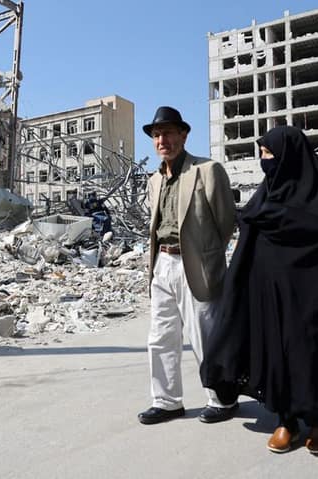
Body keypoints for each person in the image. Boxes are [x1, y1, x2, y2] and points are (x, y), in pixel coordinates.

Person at [200, 126, 318, 454]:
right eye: (261, 154)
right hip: (271, 293)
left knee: (313, 349)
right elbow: (250, 230)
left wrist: (281, 221)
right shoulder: (266, 193)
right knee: (277, 349)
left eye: (269, 154)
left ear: (290, 156)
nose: (264, 161)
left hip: (312, 294)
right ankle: (286, 418)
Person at [137, 106, 237, 426]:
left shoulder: (207, 170)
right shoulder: (155, 179)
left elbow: (226, 222)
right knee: (160, 337)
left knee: (204, 335)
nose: (161, 140)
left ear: (183, 135)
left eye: (167, 133)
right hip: (162, 264)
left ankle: (221, 399)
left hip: (196, 263)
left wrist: (206, 254)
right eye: (156, 135)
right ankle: (167, 402)